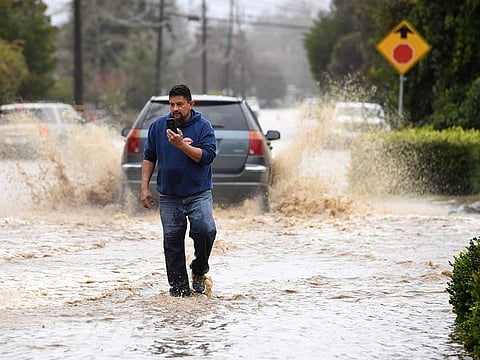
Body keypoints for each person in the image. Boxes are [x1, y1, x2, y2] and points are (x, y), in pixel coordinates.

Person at [141, 84, 217, 298]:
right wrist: (144, 187)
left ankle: (199, 269)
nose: (175, 108)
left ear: (191, 104)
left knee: (205, 230)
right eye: (172, 104)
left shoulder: (203, 127)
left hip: (198, 193)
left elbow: (207, 157)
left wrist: (181, 145)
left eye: (180, 104)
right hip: (169, 196)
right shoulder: (158, 127)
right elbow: (149, 157)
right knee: (172, 242)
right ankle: (179, 291)